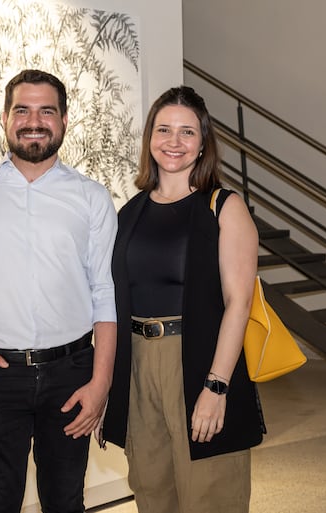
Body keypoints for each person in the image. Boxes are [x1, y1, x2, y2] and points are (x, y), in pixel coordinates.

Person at [0, 69, 118, 513]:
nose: (33, 120)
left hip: (70, 374)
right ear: (5, 118)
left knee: (65, 501)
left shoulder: (91, 197)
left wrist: (100, 384)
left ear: (63, 121)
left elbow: (106, 294)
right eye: (22, 109)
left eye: (46, 111)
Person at [102, 86, 266, 513]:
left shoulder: (223, 207)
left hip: (198, 360)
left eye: (187, 132)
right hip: (138, 365)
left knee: (210, 494)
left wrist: (216, 386)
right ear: (150, 140)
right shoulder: (131, 211)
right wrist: (109, 386)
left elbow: (238, 303)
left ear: (202, 143)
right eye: (164, 130)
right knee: (152, 490)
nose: (173, 141)